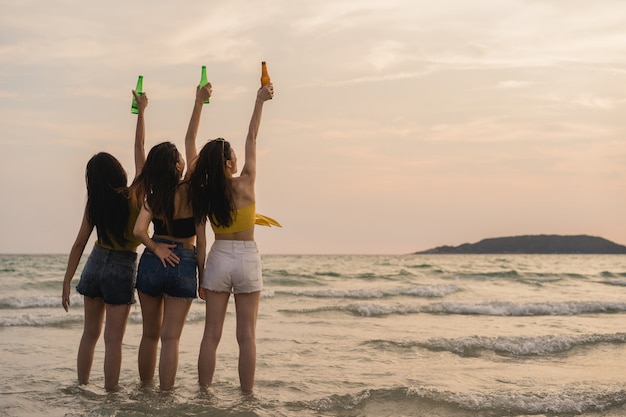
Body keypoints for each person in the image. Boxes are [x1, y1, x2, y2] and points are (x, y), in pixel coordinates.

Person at [61, 90, 148, 391]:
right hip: (122, 267)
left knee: (90, 335)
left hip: (95, 264)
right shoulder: (134, 196)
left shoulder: (94, 205)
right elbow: (139, 148)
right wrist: (142, 112)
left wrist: (66, 280)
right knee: (114, 341)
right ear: (118, 172)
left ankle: (82, 387)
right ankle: (111, 396)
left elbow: (78, 245)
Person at [190, 82, 274, 392]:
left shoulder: (205, 195)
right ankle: (247, 398)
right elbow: (252, 136)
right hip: (247, 257)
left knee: (211, 335)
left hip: (219, 258)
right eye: (234, 158)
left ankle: (203, 394)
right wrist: (259, 101)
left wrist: (201, 277)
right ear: (229, 163)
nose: (239, 161)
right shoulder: (247, 181)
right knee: (246, 337)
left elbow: (201, 242)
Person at [131, 84, 211, 391]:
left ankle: (144, 391)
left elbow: (139, 231)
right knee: (171, 338)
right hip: (184, 262)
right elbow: (192, 138)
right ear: (179, 166)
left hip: (153, 261)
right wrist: (198, 102)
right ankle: (165, 397)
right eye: (181, 157)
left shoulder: (154, 194)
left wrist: (156, 248)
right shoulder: (192, 190)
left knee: (149, 335)